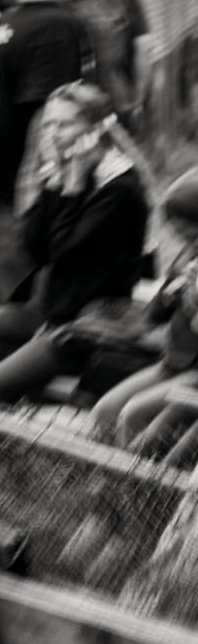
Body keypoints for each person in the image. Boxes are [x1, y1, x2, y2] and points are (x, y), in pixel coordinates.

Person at [0, 84, 147, 399]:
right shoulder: (63, 172)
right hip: (42, 309)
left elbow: (63, 253)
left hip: (81, 326)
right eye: (48, 124)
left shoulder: (118, 188)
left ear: (96, 128)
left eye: (65, 124)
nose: (53, 134)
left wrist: (72, 187)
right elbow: (34, 248)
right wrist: (57, 184)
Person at [0, 0, 94, 304]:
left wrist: (30, 204)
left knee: (11, 299)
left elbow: (51, 115)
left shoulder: (53, 27)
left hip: (10, 200)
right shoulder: (19, 18)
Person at [95, 170, 198, 451]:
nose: (179, 237)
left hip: (194, 373)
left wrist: (194, 302)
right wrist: (170, 295)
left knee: (133, 415)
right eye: (175, 230)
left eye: (186, 230)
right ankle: (99, 478)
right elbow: (154, 315)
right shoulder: (187, 258)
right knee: (106, 410)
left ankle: (130, 488)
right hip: (172, 363)